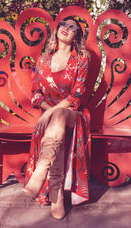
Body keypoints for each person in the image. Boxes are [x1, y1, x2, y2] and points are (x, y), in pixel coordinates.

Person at [23, 17, 91, 219]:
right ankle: (56, 191)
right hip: (51, 118)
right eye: (63, 24)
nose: (67, 28)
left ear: (76, 36)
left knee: (60, 114)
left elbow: (76, 97)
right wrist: (48, 111)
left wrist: (49, 112)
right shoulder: (43, 59)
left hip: (74, 114)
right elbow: (36, 94)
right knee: (56, 124)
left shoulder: (81, 58)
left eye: (73, 27)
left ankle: (41, 170)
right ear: (56, 29)